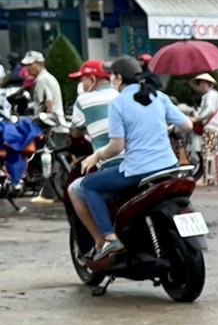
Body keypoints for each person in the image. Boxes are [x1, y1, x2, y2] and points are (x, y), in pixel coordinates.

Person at [68, 58, 187, 267]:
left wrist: (97, 156)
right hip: (170, 167)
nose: (111, 79)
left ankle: (110, 239)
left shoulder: (119, 103)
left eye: (112, 75)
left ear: (118, 78)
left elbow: (116, 147)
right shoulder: (158, 96)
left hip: (138, 171)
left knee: (88, 185)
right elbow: (186, 125)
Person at [189, 73, 218, 165]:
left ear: (210, 84)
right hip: (212, 126)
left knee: (207, 153)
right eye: (201, 83)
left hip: (211, 126)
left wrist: (198, 118)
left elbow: (209, 109)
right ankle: (210, 175)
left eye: (204, 83)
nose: (202, 86)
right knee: (210, 152)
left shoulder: (211, 94)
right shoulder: (210, 95)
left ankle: (209, 175)